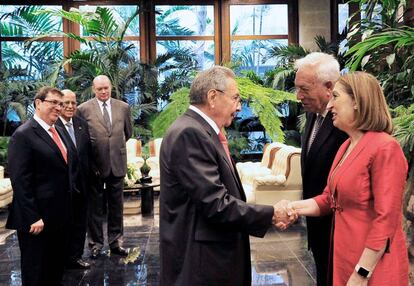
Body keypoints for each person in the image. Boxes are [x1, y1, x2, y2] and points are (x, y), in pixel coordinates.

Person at [159, 66, 295, 286]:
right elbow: (215, 203)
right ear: (213, 96)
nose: (239, 107)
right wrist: (271, 213)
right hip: (202, 262)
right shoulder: (190, 133)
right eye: (235, 98)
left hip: (209, 256)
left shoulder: (200, 130)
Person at [285, 72, 409, 285]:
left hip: (372, 266)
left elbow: (386, 219)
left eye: (335, 96)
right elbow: (328, 199)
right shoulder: (346, 146)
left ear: (357, 102)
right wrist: (290, 207)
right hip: (344, 257)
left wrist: (361, 273)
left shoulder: (385, 147)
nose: (330, 105)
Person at [6, 87, 76, 286]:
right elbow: (20, 180)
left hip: (58, 216)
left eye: (60, 104)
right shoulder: (24, 135)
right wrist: (33, 216)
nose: (58, 107)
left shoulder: (58, 131)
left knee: (54, 269)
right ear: (38, 103)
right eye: (53, 102)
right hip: (37, 221)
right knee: (36, 271)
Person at [294, 52, 348, 286]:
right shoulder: (312, 116)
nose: (298, 96)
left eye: (304, 89)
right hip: (317, 227)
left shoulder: (346, 125)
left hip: (340, 231)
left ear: (329, 86)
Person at [77, 75, 132, 258]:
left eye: (106, 88)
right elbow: (82, 140)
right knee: (95, 208)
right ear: (94, 89)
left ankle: (116, 242)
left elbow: (128, 133)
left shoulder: (123, 107)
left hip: (117, 164)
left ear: (110, 87)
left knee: (117, 206)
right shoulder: (83, 110)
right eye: (99, 89)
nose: (103, 91)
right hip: (95, 167)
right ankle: (95, 243)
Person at [56, 89, 91, 269]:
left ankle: (76, 256)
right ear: (59, 105)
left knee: (80, 222)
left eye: (73, 103)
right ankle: (63, 257)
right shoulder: (54, 126)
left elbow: (88, 153)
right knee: (65, 224)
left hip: (83, 183)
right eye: (66, 103)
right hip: (64, 186)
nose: (70, 107)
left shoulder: (81, 124)